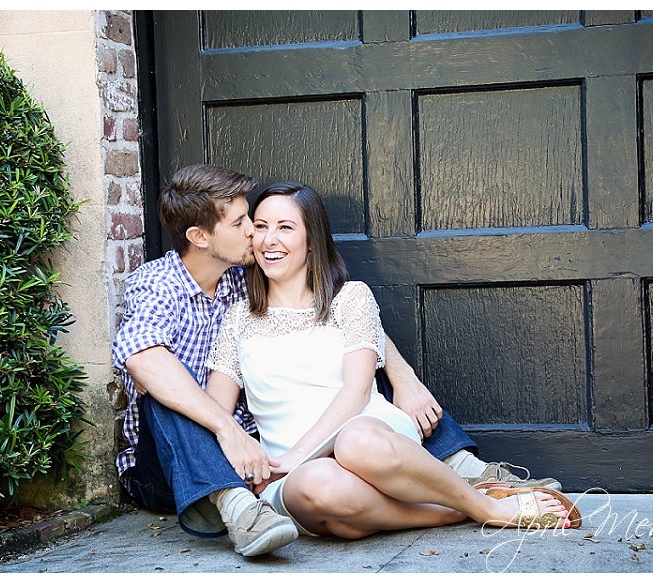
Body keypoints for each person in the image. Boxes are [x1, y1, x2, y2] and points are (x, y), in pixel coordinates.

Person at [111, 164, 560, 557]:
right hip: (180, 460)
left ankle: (469, 475)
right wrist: (229, 432)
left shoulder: (242, 277)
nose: (256, 232)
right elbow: (144, 357)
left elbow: (342, 324)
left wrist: (403, 375)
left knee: (354, 384)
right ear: (200, 237)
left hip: (282, 445)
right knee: (169, 389)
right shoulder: (161, 284)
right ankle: (237, 505)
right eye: (245, 222)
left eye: (267, 223)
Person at [203, 181, 580, 537]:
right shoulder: (238, 319)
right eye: (262, 226)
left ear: (311, 240)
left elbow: (356, 390)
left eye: (286, 227)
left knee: (356, 441)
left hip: (371, 439)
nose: (270, 240)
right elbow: (217, 411)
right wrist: (267, 463)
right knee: (323, 489)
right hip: (298, 476)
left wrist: (295, 456)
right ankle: (461, 508)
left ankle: (487, 509)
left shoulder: (349, 298)